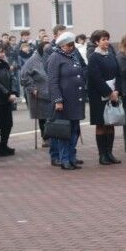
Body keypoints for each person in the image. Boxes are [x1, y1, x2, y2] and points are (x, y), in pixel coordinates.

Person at [47, 32, 85, 170]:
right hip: (64, 101)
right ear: (61, 45)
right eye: (69, 45)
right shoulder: (55, 58)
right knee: (64, 131)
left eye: (72, 44)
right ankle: (64, 159)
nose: (71, 47)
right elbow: (53, 82)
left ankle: (72, 156)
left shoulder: (73, 56)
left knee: (75, 130)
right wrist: (58, 100)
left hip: (76, 99)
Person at [87, 30, 122, 165]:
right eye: (103, 39)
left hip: (113, 94)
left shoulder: (112, 55)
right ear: (96, 42)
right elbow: (96, 78)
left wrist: (117, 90)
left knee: (110, 123)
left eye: (107, 39)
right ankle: (102, 155)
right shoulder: (93, 57)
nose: (106, 41)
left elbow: (118, 74)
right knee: (101, 124)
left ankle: (110, 153)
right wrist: (108, 92)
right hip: (99, 96)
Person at [20, 41, 53, 150]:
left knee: (52, 116)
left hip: (52, 92)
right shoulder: (32, 60)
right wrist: (32, 88)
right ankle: (45, 138)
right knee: (43, 116)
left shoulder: (52, 57)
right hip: (39, 93)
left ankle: (54, 136)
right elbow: (24, 76)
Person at [0, 42, 18, 156]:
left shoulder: (4, 64)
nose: (2, 54)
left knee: (7, 124)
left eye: (3, 52)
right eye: (0, 52)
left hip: (6, 99)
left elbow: (12, 78)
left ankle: (4, 145)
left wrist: (14, 92)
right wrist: (7, 94)